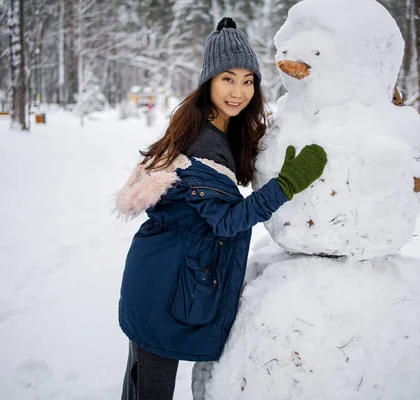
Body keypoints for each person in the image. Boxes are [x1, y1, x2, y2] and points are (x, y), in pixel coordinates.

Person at [115, 17, 328, 400]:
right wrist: (288, 184)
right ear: (209, 81)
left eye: (248, 80)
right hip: (163, 289)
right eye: (228, 78)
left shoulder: (221, 129)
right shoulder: (206, 144)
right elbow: (227, 222)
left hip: (162, 273)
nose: (239, 91)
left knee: (140, 389)